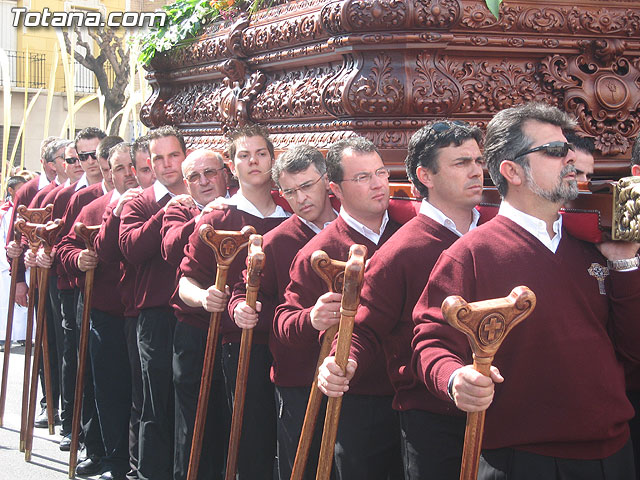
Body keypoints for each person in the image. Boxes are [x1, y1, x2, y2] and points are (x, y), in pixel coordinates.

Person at [412, 102, 640, 479]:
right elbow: (429, 341)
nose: (569, 158)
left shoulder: (594, 244)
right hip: (521, 459)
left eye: (567, 148)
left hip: (612, 452)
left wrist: (625, 264)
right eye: (553, 151)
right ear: (512, 170)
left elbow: (632, 350)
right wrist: (455, 379)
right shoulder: (469, 254)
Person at [318, 121, 485, 479]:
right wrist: (341, 362)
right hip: (433, 419)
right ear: (425, 175)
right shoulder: (401, 251)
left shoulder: (493, 235)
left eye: (478, 160)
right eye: (460, 163)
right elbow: (364, 328)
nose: (476, 171)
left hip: (497, 413)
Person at [274, 136, 403, 480]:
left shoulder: (408, 235)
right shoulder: (318, 252)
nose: (377, 184)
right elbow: (284, 321)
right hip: (357, 400)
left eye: (380, 172)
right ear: (336, 188)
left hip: (414, 395)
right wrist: (311, 318)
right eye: (362, 178)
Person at [177, 124, 289, 479]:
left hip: (290, 342)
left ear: (273, 159)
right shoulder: (217, 218)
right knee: (249, 442)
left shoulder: (293, 213)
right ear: (233, 166)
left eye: (260, 153)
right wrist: (204, 297)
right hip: (240, 345)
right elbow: (186, 281)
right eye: (244, 155)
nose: (253, 161)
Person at [228, 144, 337, 480]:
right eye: (289, 191)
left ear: (327, 180)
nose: (300, 198)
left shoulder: (358, 228)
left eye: (307, 186)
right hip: (297, 374)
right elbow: (242, 292)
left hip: (349, 376)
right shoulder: (275, 242)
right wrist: (238, 309)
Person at [57, 142, 139, 480]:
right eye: (119, 168)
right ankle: (110, 457)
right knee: (107, 387)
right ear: (109, 172)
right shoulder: (95, 207)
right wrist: (78, 259)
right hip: (105, 312)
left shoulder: (163, 206)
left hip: (147, 314)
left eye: (134, 165)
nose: (128, 174)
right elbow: (64, 245)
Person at [119, 125, 189, 480]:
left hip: (197, 315)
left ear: (185, 155)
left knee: (190, 405)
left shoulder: (205, 193)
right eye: (157, 158)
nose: (166, 164)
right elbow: (131, 249)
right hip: (155, 317)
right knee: (155, 402)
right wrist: (167, 212)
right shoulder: (138, 202)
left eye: (173, 155)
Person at [0, 175, 29, 349]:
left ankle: (25, 334)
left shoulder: (23, 210)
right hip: (5, 263)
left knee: (23, 302)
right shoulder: (5, 213)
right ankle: (4, 334)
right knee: (5, 301)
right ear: (11, 190)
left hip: (20, 263)